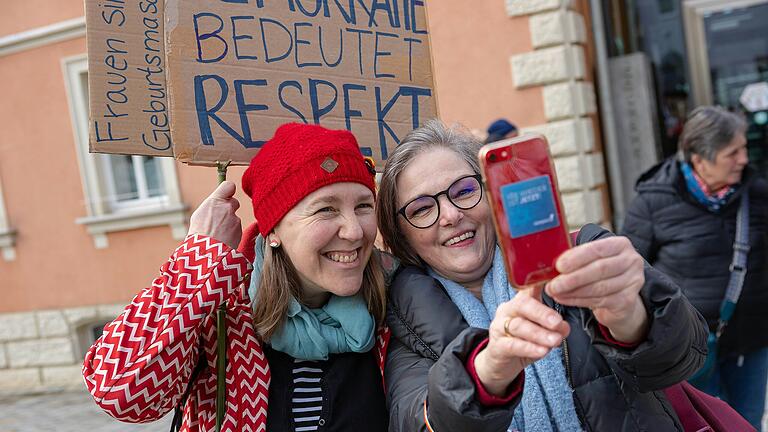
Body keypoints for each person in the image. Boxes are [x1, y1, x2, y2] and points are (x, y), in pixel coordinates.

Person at [376, 119, 707, 431]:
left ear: (491, 192)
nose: (450, 215)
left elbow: (685, 353)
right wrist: (490, 369)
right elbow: (418, 421)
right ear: (401, 234)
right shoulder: (405, 327)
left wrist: (630, 317)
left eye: (463, 191)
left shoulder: (583, 255)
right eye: (421, 209)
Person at [83, 123, 390, 431]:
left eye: (363, 206)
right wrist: (196, 260)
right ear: (274, 231)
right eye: (326, 209)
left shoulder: (395, 304)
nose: (354, 231)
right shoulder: (223, 312)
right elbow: (121, 394)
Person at [622, 105, 768, 430]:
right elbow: (630, 276)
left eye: (744, 148)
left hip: (752, 341)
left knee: (748, 423)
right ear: (699, 158)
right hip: (690, 349)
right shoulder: (652, 202)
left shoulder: (756, 195)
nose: (743, 159)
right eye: (733, 152)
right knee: (706, 426)